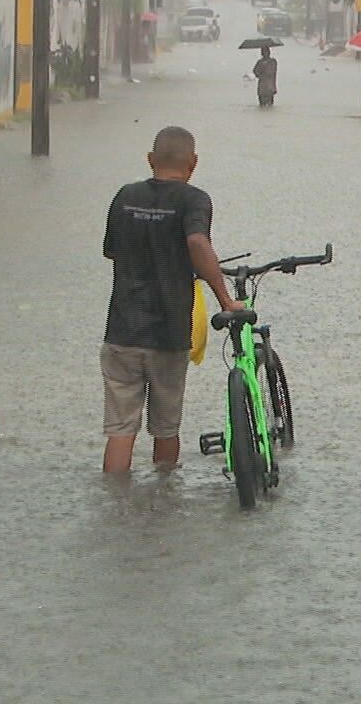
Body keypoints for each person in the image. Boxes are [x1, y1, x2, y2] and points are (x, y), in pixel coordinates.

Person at [100, 126, 241, 473]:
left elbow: (111, 251)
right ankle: (163, 504)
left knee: (120, 431)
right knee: (165, 428)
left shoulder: (125, 195)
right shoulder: (194, 200)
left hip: (121, 332)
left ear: (150, 159)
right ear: (193, 164)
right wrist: (226, 299)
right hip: (168, 333)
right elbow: (197, 244)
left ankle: (116, 508)